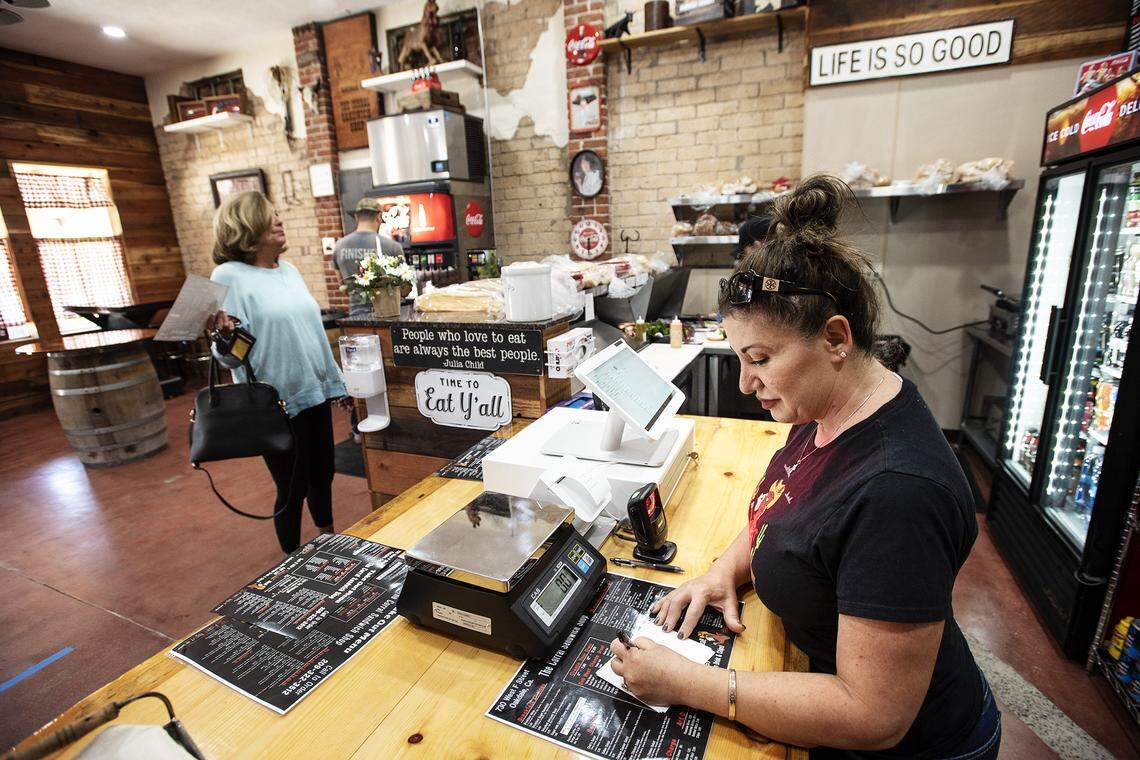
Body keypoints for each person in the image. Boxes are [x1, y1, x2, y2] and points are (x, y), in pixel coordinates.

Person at [609, 175, 999, 759]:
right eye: (741, 358)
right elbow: (785, 506)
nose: (745, 383)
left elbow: (872, 715)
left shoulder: (898, 494)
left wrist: (688, 682)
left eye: (761, 359)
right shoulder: (830, 411)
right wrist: (724, 571)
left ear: (836, 338)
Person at [204, 191, 347, 554]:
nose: (280, 220)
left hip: (313, 392)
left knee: (322, 475)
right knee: (292, 487)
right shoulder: (229, 276)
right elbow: (233, 358)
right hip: (276, 404)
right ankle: (292, 564)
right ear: (246, 226)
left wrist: (336, 384)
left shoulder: (290, 270)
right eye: (270, 216)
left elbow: (312, 334)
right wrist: (225, 338)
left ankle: (329, 541)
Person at [334, 197, 407, 317]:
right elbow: (403, 286)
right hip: (387, 312)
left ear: (357, 217)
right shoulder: (392, 246)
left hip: (356, 313)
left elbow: (342, 284)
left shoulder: (339, 246)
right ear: (379, 217)